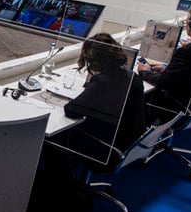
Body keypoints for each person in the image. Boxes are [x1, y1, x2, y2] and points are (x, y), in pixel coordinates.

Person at [62, 33, 147, 165]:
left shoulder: (103, 81)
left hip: (106, 149)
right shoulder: (132, 77)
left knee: (56, 136)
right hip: (128, 143)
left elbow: (71, 111)